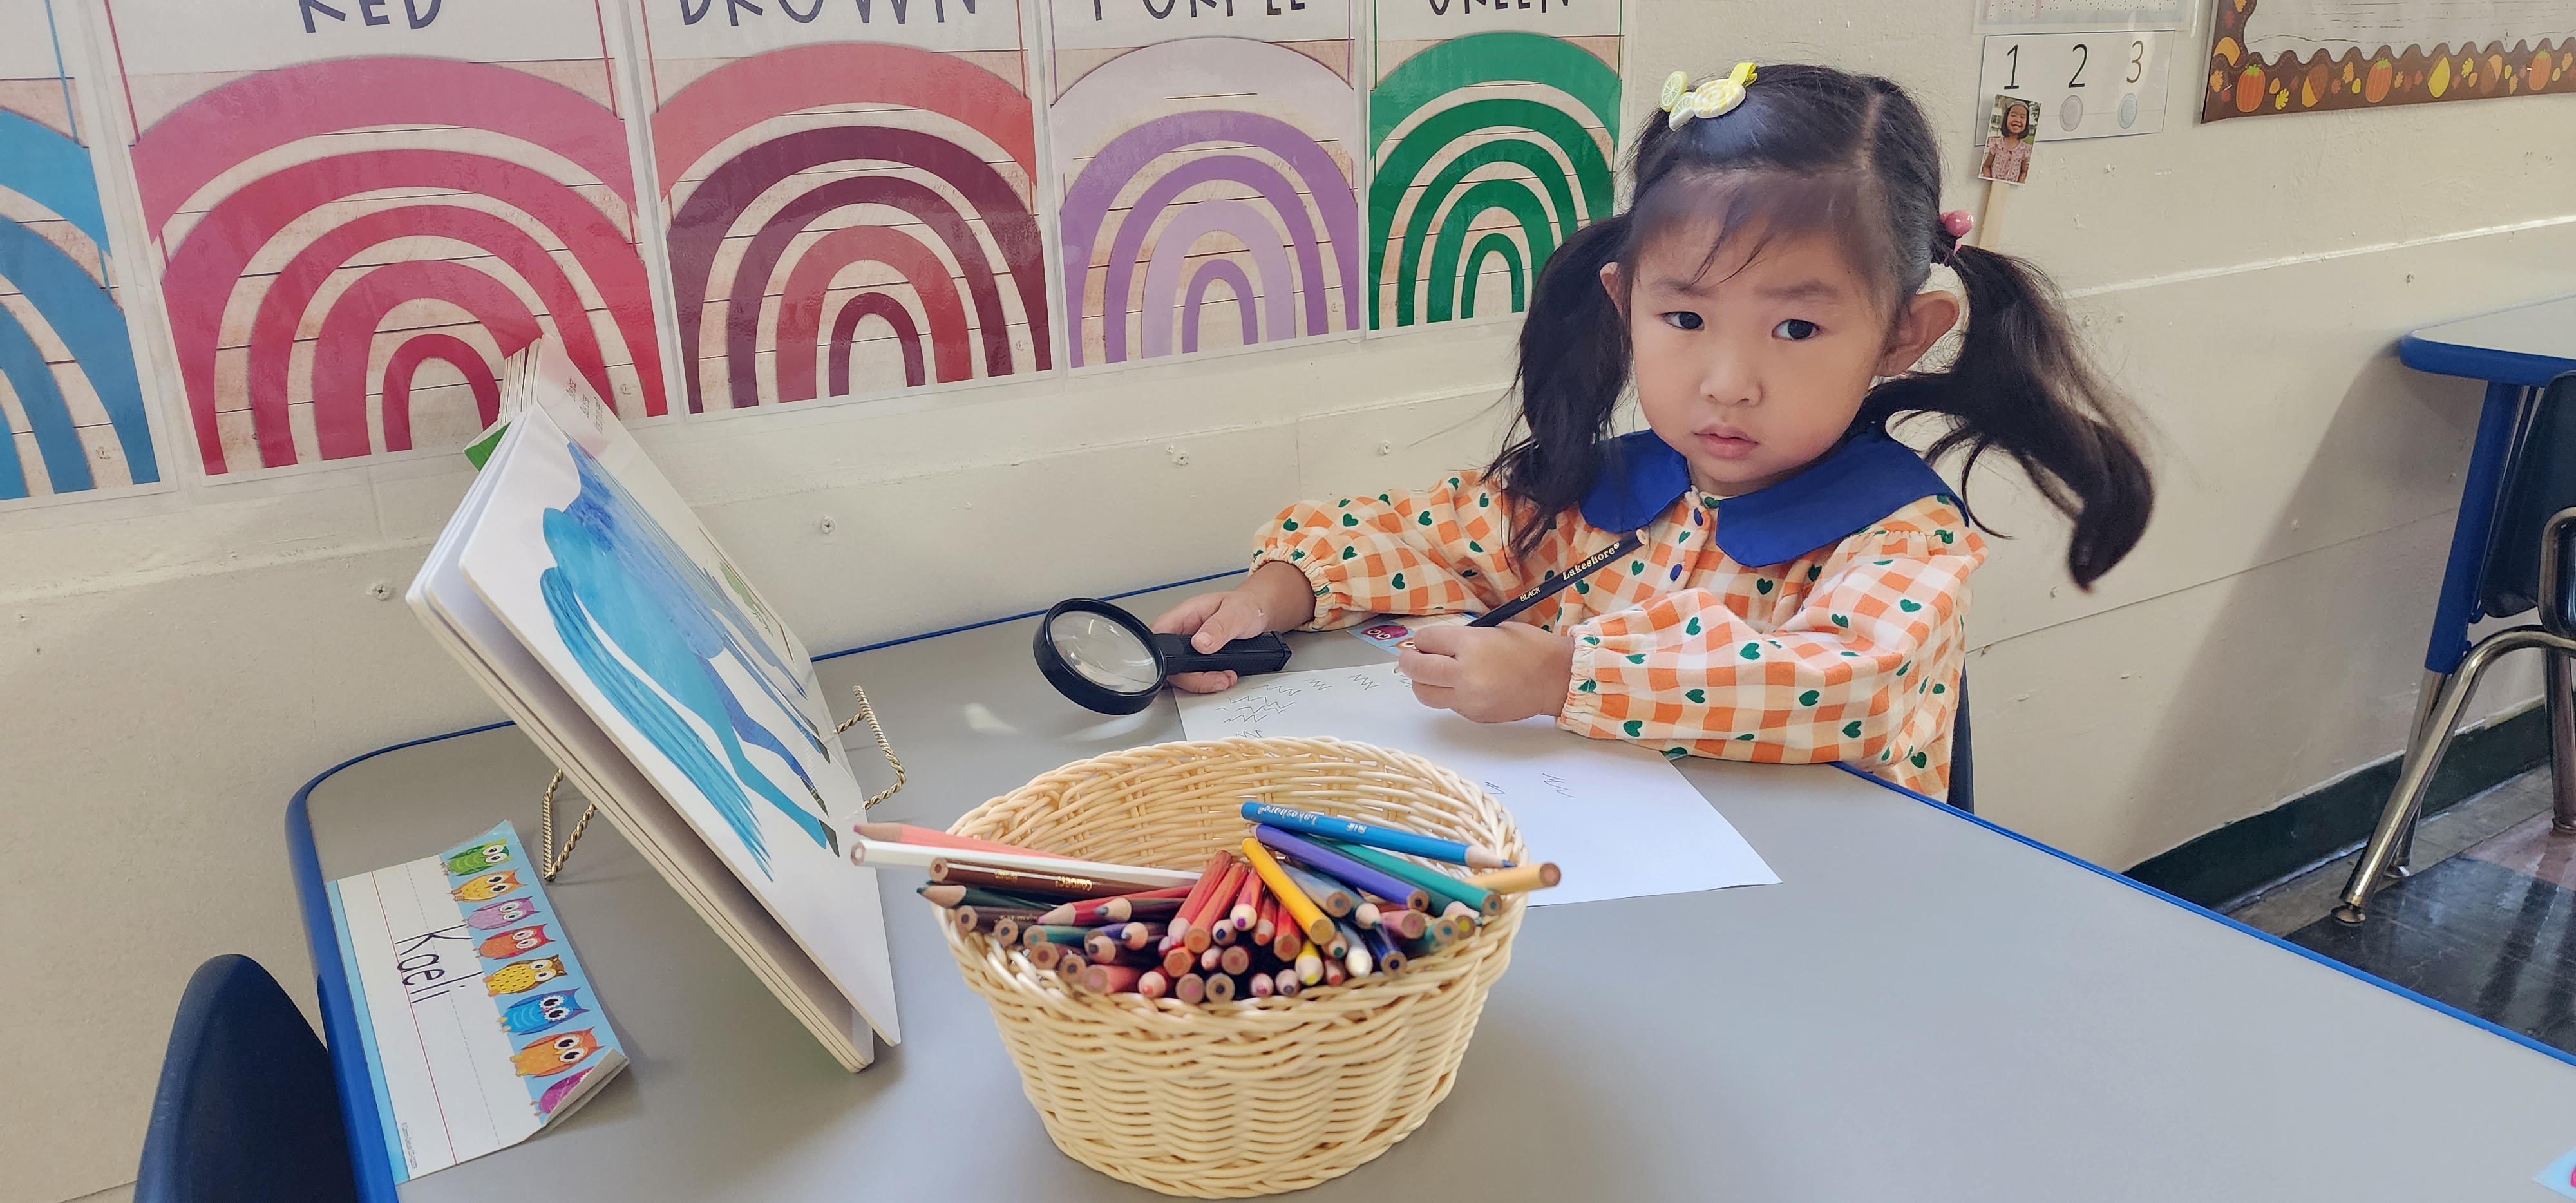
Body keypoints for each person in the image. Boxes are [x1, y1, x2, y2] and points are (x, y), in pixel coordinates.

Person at [1151, 63, 2152, 798]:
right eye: (1685, 320)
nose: (1728, 383)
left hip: (1824, 922)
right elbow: (1432, 533)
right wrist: (1280, 591)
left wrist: (1562, 676)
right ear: (1626, 303)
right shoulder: (1607, 488)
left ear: (1903, 335)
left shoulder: (1901, 537)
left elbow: (1846, 683)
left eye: (1796, 328)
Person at [1982, 99, 2034, 184]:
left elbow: (2024, 171)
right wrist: (1991, 182)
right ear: (2006, 119)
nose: (2017, 120)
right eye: (2013, 115)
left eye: (2022, 117)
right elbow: (1986, 167)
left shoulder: (2025, 149)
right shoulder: (1997, 144)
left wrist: (2017, 184)